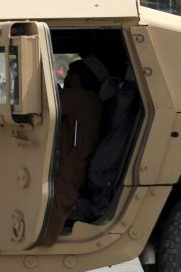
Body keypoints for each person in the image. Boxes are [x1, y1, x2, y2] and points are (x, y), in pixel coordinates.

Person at [39, 54, 108, 246]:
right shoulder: (93, 100)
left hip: (69, 166)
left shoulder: (80, 98)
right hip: (76, 163)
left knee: (52, 214)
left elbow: (48, 103)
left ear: (77, 79)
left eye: (70, 75)